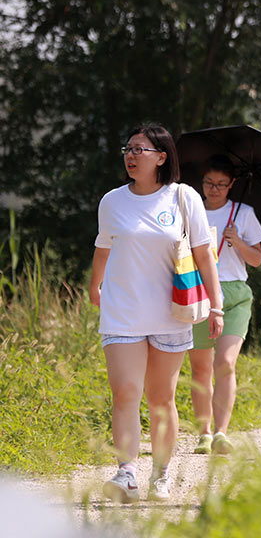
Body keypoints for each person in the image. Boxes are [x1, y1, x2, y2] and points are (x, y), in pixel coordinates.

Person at [89, 124, 224, 502]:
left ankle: (161, 474)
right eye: (128, 149)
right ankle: (126, 472)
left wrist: (216, 304)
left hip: (172, 313)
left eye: (140, 150)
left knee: (161, 397)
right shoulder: (112, 201)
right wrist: (94, 284)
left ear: (161, 157)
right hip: (123, 311)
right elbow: (103, 248)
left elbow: (203, 254)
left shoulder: (183, 198)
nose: (131, 156)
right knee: (125, 392)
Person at [187, 155, 261, 455]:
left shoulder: (242, 213)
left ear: (232, 184)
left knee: (226, 363)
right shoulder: (192, 211)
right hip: (199, 292)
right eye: (209, 183)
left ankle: (221, 432)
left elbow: (257, 260)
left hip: (235, 293)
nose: (215, 189)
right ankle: (203, 432)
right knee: (200, 368)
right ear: (202, 183)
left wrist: (237, 240)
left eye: (221, 184)